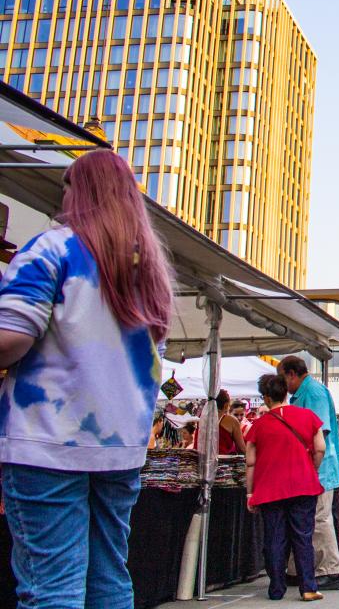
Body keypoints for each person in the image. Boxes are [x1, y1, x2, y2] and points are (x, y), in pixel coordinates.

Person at [0, 149, 174, 608]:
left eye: (69, 186)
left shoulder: (54, 247)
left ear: (81, 191)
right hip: (120, 448)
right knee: (109, 580)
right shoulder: (151, 273)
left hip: (47, 440)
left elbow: (11, 336)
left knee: (52, 586)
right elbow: (156, 367)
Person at [246, 374, 325, 602]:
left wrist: (250, 492)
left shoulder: (259, 425)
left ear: (267, 397)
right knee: (303, 537)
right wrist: (312, 468)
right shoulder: (308, 416)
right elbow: (319, 447)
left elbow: (250, 461)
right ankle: (308, 587)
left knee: (274, 538)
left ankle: (276, 588)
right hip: (303, 484)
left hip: (270, 488)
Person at [278, 356, 339, 591]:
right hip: (309, 467)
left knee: (319, 518)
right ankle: (300, 569)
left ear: (292, 374)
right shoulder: (304, 393)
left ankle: (330, 570)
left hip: (320, 468)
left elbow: (319, 432)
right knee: (304, 520)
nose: (282, 385)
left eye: (282, 378)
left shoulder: (314, 393)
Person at [192, 389, 247, 455]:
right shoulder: (231, 421)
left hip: (199, 460)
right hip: (221, 462)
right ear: (226, 405)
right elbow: (242, 449)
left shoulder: (202, 417)